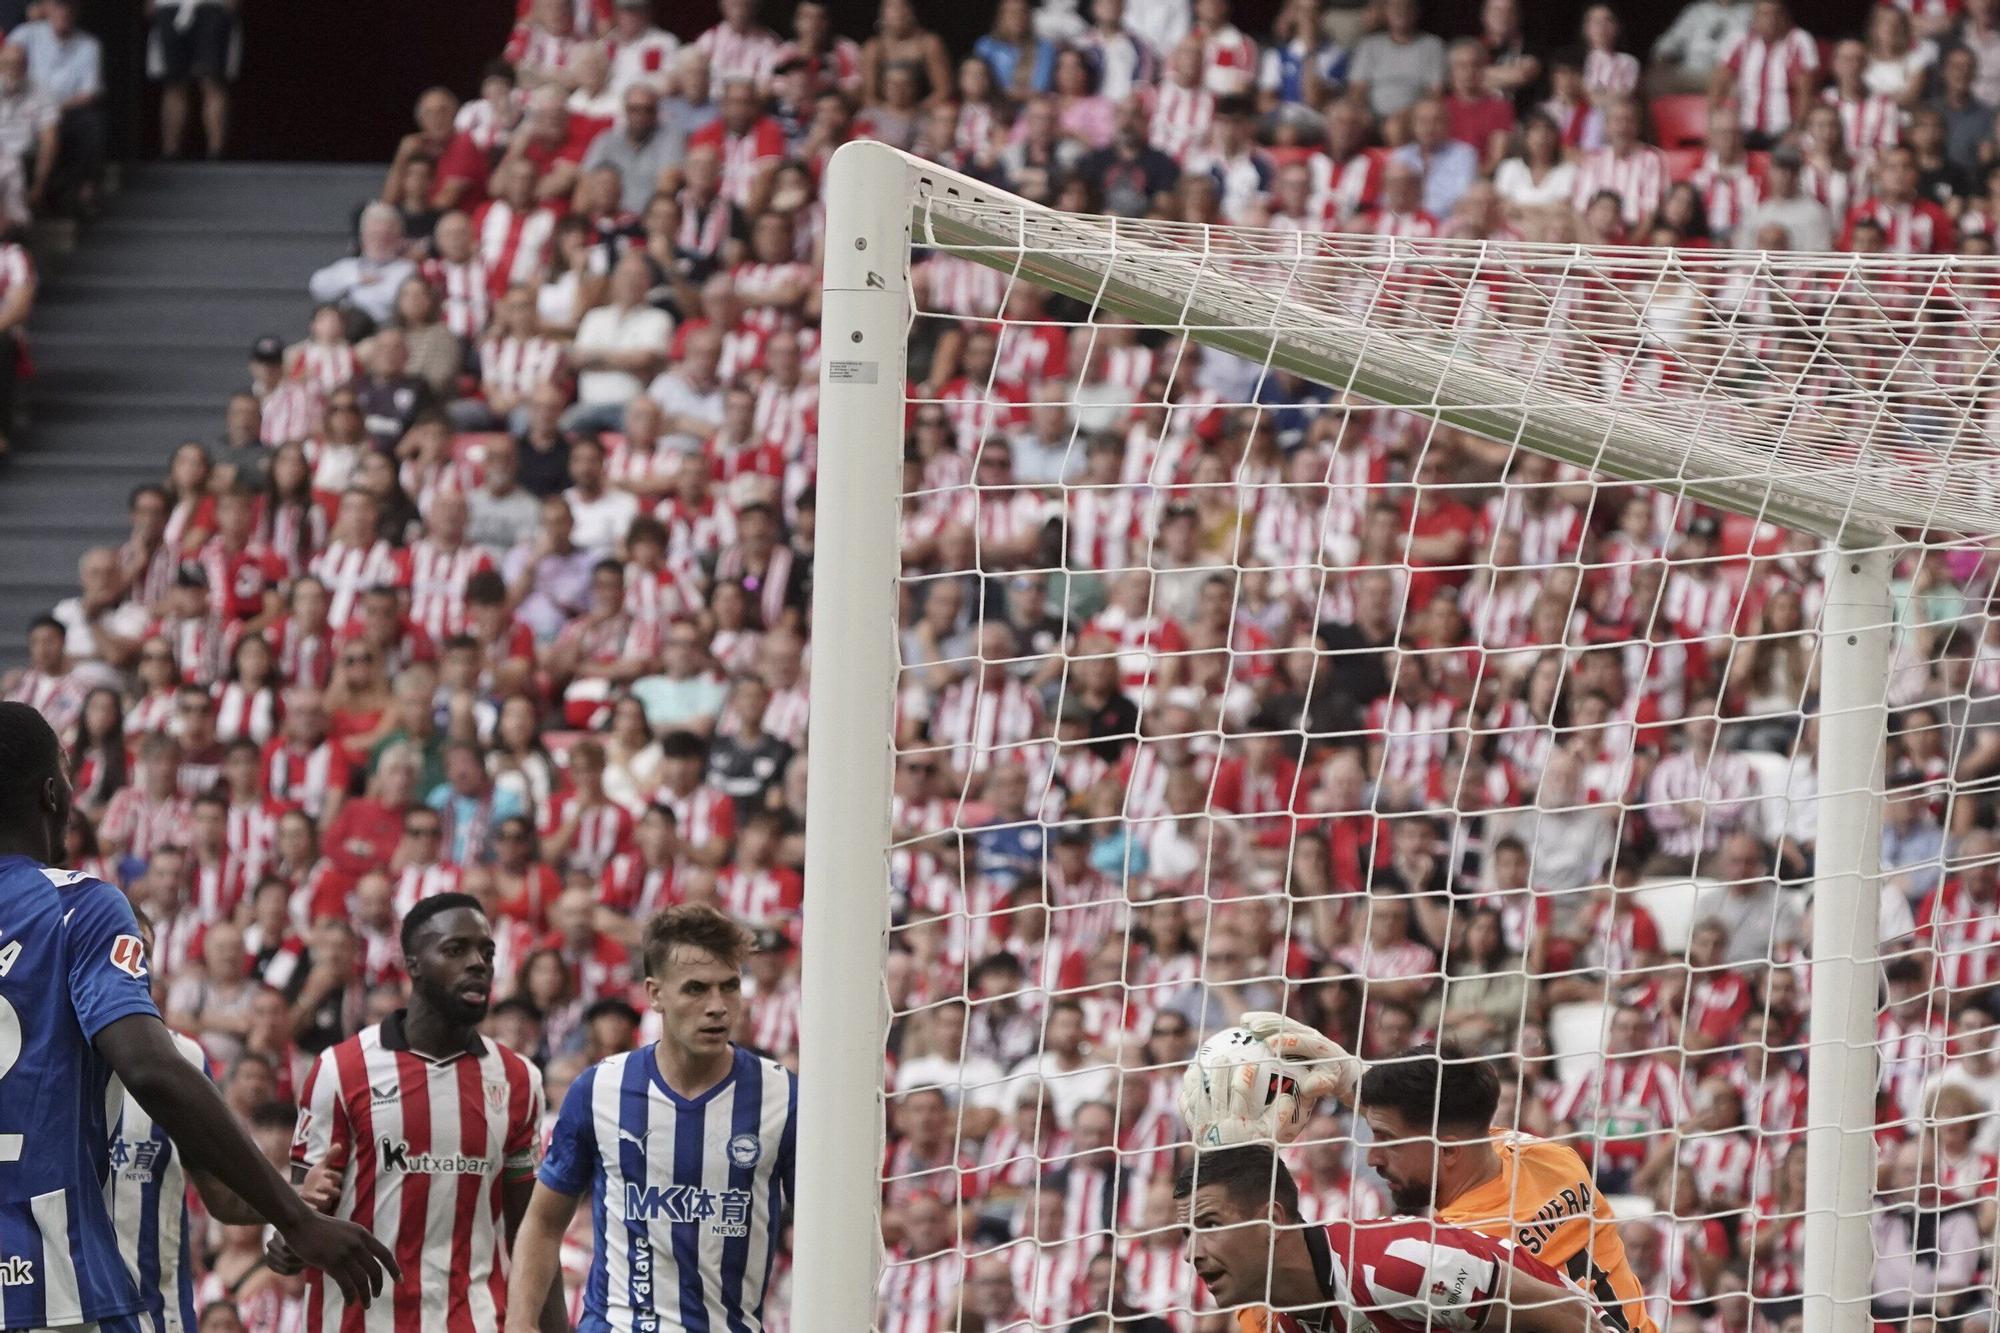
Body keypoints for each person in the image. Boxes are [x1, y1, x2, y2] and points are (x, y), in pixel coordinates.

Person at [0, 701, 398, 1328]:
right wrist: (297, 1218)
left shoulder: (184, 1051)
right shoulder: (79, 911)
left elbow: (217, 1189)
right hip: (61, 1285)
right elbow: (147, 1066)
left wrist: (286, 1206)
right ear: (52, 794)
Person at [1203, 1018, 1658, 1333]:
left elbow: (1278, 1295)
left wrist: (1240, 1158)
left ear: (1448, 1151)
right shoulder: (1547, 1156)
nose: (1374, 1158)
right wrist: (1358, 1085)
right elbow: (1461, 1112)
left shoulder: (1448, 1257)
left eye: (1386, 1140)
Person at [276, 891, 562, 1333]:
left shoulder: (519, 1080)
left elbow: (532, 1232)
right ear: (412, 964)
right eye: (455, 950)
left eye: (486, 952)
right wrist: (286, 1241)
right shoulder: (342, 1069)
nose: (478, 963)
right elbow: (304, 1213)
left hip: (474, 1321)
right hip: (357, 1322)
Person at [504, 903, 797, 1333]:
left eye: (729, 987)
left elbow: (820, 1235)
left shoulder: (783, 1096)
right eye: (696, 989)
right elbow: (544, 1223)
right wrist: (520, 1323)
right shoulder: (600, 1090)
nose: (717, 1006)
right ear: (654, 993)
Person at [1176, 1143, 1608, 1333]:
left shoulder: (1395, 1267)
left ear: (1271, 1220)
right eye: (1186, 1235)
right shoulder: (1293, 1317)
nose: (1191, 1255)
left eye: (1209, 1226)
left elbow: (1572, 1320)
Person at [148, 0, 236, 159]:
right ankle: (170, 151)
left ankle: (216, 151)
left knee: (212, 80)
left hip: (212, 7)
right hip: (170, 6)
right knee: (174, 83)